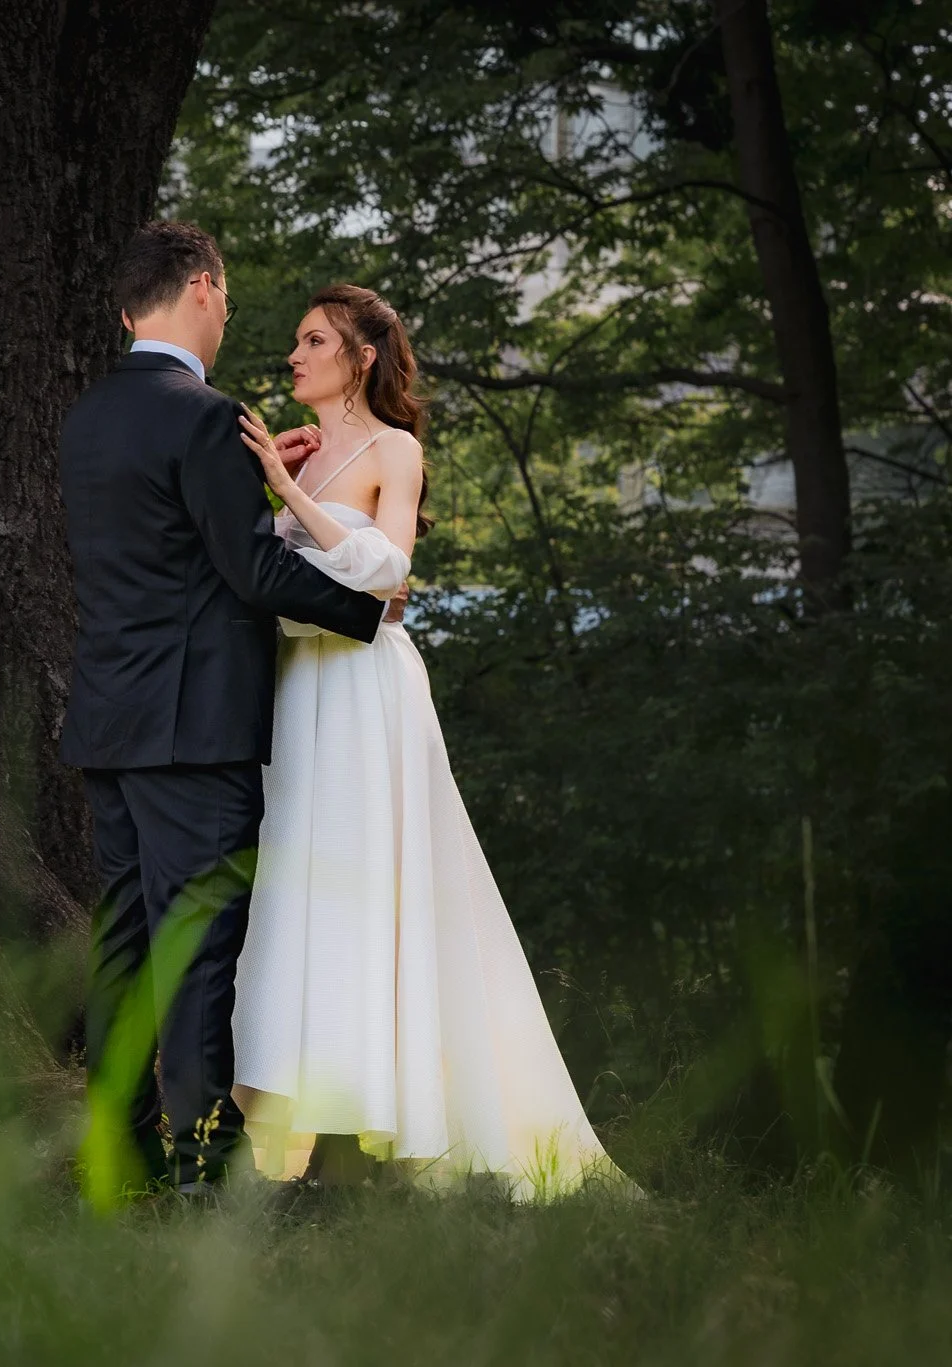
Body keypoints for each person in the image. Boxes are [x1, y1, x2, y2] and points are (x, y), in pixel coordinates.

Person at [230, 283, 625, 1199]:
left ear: (359, 357)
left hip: (366, 691)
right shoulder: (303, 451)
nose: (294, 355)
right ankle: (300, 1118)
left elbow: (389, 572)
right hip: (297, 690)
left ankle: (372, 1128)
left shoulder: (394, 449)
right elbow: (271, 574)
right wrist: (279, 492)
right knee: (298, 891)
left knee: (367, 883)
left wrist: (289, 493)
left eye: (312, 339)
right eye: (296, 339)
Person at [58, 225, 387, 1198]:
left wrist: (248, 477)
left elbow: (163, 547)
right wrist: (367, 610)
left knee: (121, 943)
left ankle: (117, 1157)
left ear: (129, 308)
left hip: (111, 716)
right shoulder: (201, 416)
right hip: (192, 726)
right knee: (199, 946)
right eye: (228, 298)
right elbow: (247, 568)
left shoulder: (90, 416)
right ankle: (207, 1172)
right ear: (201, 289)